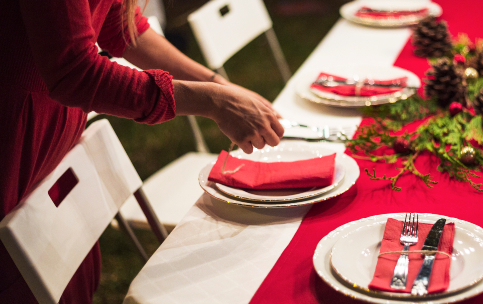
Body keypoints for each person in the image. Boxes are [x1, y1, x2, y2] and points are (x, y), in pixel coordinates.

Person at [0, 0, 284, 303]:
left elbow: (120, 24)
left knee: (57, 264)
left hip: (54, 128)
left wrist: (219, 86)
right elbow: (74, 72)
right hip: (14, 134)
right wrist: (212, 100)